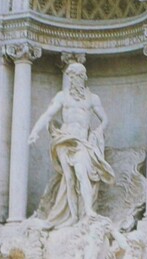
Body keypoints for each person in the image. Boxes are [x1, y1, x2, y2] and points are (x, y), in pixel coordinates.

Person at [28, 62, 114, 226]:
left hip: (82, 141)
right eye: (71, 77)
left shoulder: (92, 98)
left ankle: (88, 210)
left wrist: (97, 133)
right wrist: (35, 131)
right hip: (64, 139)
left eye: (76, 76)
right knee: (69, 178)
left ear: (83, 77)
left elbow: (105, 119)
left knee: (81, 173)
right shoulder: (62, 96)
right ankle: (73, 216)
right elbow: (48, 115)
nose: (73, 80)